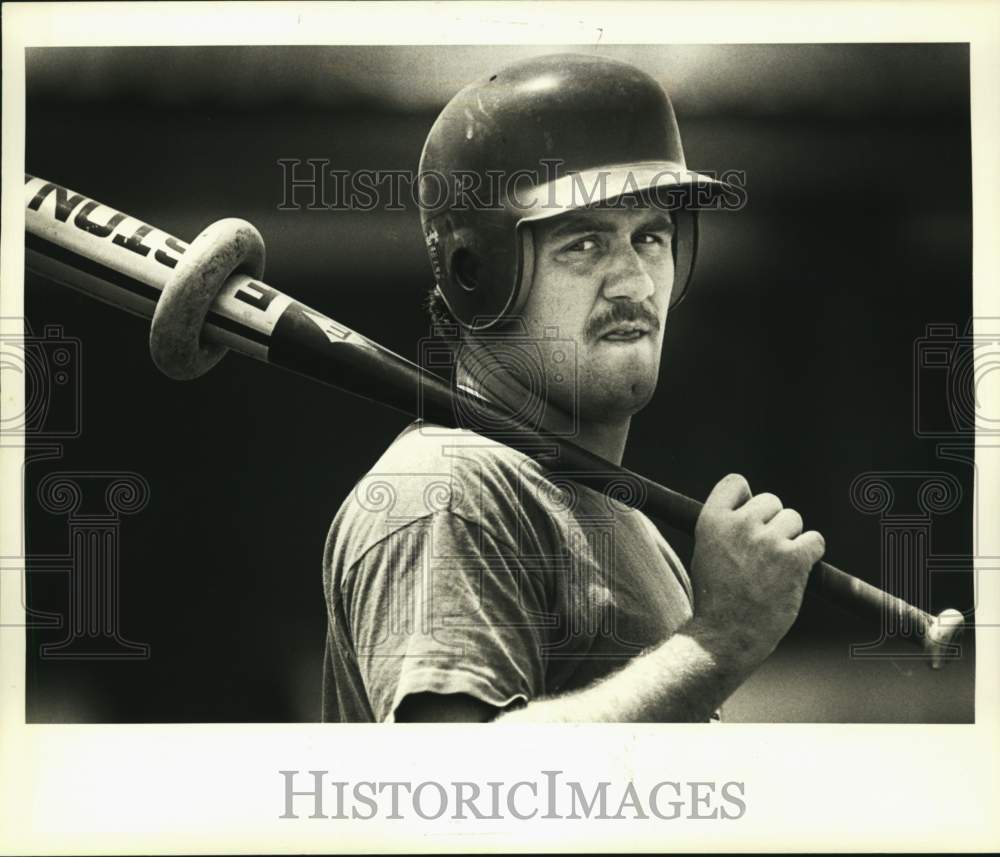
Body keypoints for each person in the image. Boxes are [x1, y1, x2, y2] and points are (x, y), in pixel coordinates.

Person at [321, 53, 825, 723]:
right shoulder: (449, 495)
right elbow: (452, 790)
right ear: (480, 271)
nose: (637, 283)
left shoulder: (626, 526)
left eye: (651, 237)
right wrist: (719, 641)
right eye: (584, 244)